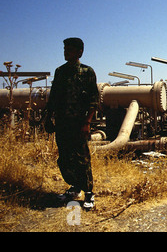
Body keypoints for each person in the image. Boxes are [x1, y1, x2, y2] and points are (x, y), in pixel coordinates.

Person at [44, 37, 99, 210]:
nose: (65, 52)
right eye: (65, 49)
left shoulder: (87, 72)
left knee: (82, 158)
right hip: (62, 123)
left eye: (69, 49)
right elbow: (53, 98)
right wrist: (48, 118)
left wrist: (87, 123)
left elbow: (94, 100)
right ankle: (75, 188)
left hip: (78, 123)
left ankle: (89, 193)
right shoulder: (60, 72)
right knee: (65, 158)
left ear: (79, 52)